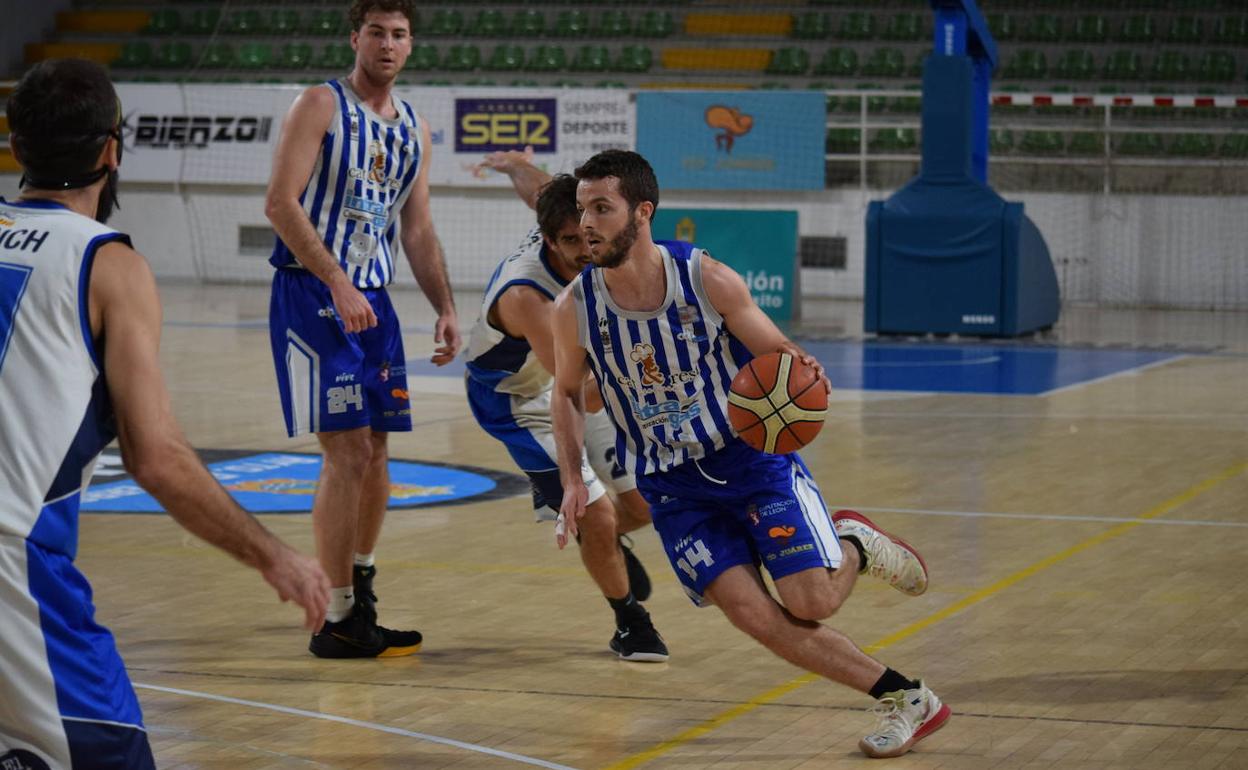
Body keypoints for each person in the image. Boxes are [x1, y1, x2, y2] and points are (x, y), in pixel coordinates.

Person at [550, 150, 951, 759]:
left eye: (601, 208)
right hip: (672, 485)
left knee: (809, 602)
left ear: (643, 212)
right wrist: (574, 478)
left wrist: (803, 373)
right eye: (583, 210)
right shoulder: (574, 306)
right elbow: (565, 393)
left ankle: (855, 544)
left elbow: (777, 351)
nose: (587, 224)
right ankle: (907, 698)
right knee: (754, 616)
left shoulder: (707, 279)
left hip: (750, 462)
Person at [0, 59, 330, 770]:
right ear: (112, 150)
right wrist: (277, 557)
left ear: (17, 145)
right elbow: (157, 458)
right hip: (15, 576)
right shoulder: (108, 266)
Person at [264, 0, 460, 658]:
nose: (387, 42)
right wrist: (336, 280)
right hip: (312, 290)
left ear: (410, 46)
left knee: (378, 454)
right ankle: (335, 618)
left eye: (399, 33)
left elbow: (418, 228)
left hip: (372, 300)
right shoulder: (319, 105)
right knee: (347, 453)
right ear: (356, 38)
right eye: (376, 31)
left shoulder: (414, 129)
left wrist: (446, 307)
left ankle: (360, 595)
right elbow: (279, 202)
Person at [464, 149, 666, 661]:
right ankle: (629, 621)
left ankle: (602, 541)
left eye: (587, 230)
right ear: (548, 239)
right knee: (596, 513)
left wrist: (513, 166)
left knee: (643, 507)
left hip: (571, 378)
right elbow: (579, 391)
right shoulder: (529, 296)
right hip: (520, 398)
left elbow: (539, 187)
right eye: (570, 241)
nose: (584, 246)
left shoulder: (572, 219)